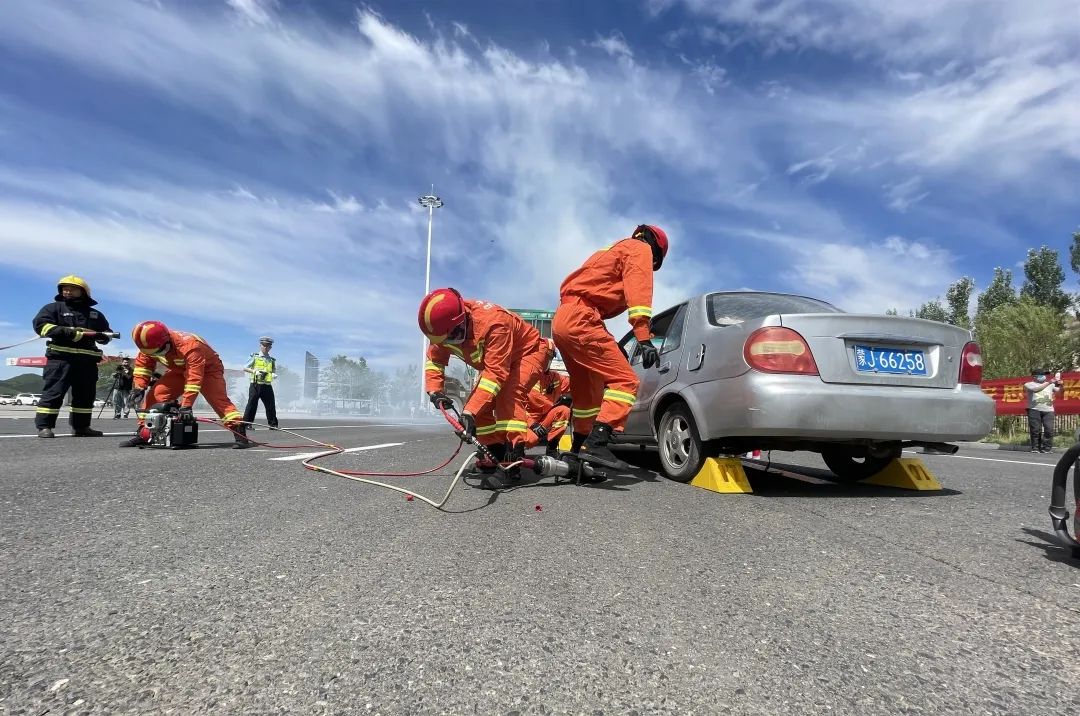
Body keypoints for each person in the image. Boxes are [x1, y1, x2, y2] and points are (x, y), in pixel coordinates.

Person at [552, 224, 668, 470]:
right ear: (655, 251)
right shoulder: (640, 249)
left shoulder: (615, 249)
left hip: (564, 318)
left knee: (588, 391)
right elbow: (639, 291)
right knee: (626, 381)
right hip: (582, 318)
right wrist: (643, 337)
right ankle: (597, 442)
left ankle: (577, 454)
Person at [419, 288, 547, 489]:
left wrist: (468, 412)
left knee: (508, 396)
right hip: (499, 363)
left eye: (448, 339)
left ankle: (512, 461)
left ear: (461, 322)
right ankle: (495, 453)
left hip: (529, 352)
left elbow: (495, 374)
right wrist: (436, 391)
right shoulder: (444, 331)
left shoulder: (494, 324)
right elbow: (434, 360)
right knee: (479, 409)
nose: (445, 344)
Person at [120, 320, 249, 448]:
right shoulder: (149, 347)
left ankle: (239, 432)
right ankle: (145, 433)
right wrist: (139, 387)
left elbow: (194, 379)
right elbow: (143, 367)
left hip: (208, 371)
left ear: (167, 341)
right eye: (151, 353)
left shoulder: (190, 345)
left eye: (158, 352)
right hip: (179, 369)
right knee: (155, 395)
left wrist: (186, 406)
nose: (155, 355)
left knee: (218, 401)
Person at [31, 275, 113, 438]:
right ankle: (45, 426)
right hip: (61, 360)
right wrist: (69, 333)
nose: (67, 291)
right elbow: (41, 326)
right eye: (64, 288)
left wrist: (104, 337)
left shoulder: (95, 314)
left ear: (83, 292)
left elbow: (108, 333)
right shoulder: (53, 308)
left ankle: (81, 427)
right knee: (53, 393)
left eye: (72, 288)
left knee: (85, 395)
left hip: (87, 362)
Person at [523, 339, 573, 457]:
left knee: (564, 411)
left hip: (543, 419)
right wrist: (531, 424)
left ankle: (551, 450)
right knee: (530, 440)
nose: (546, 360)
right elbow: (515, 405)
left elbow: (576, 384)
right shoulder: (525, 376)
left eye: (549, 357)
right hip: (524, 420)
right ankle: (512, 450)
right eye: (544, 356)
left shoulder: (555, 378)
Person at [242, 336, 278, 430]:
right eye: (264, 345)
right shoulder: (255, 356)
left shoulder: (272, 360)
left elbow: (273, 370)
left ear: (270, 347)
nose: (265, 347)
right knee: (252, 404)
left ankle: (273, 424)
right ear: (260, 345)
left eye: (268, 346)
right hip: (256, 384)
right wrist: (254, 371)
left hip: (267, 385)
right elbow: (245, 367)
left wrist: (273, 374)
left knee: (270, 405)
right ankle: (247, 424)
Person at [1024, 368, 1063, 453]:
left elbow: (1060, 393)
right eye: (1042, 375)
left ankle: (1047, 448)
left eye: (1045, 375)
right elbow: (1036, 389)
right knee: (1035, 430)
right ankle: (1035, 448)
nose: (1044, 376)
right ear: (1035, 376)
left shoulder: (1050, 385)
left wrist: (1061, 385)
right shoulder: (1029, 384)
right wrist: (1049, 382)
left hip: (1049, 410)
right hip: (1034, 410)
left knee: (1049, 429)